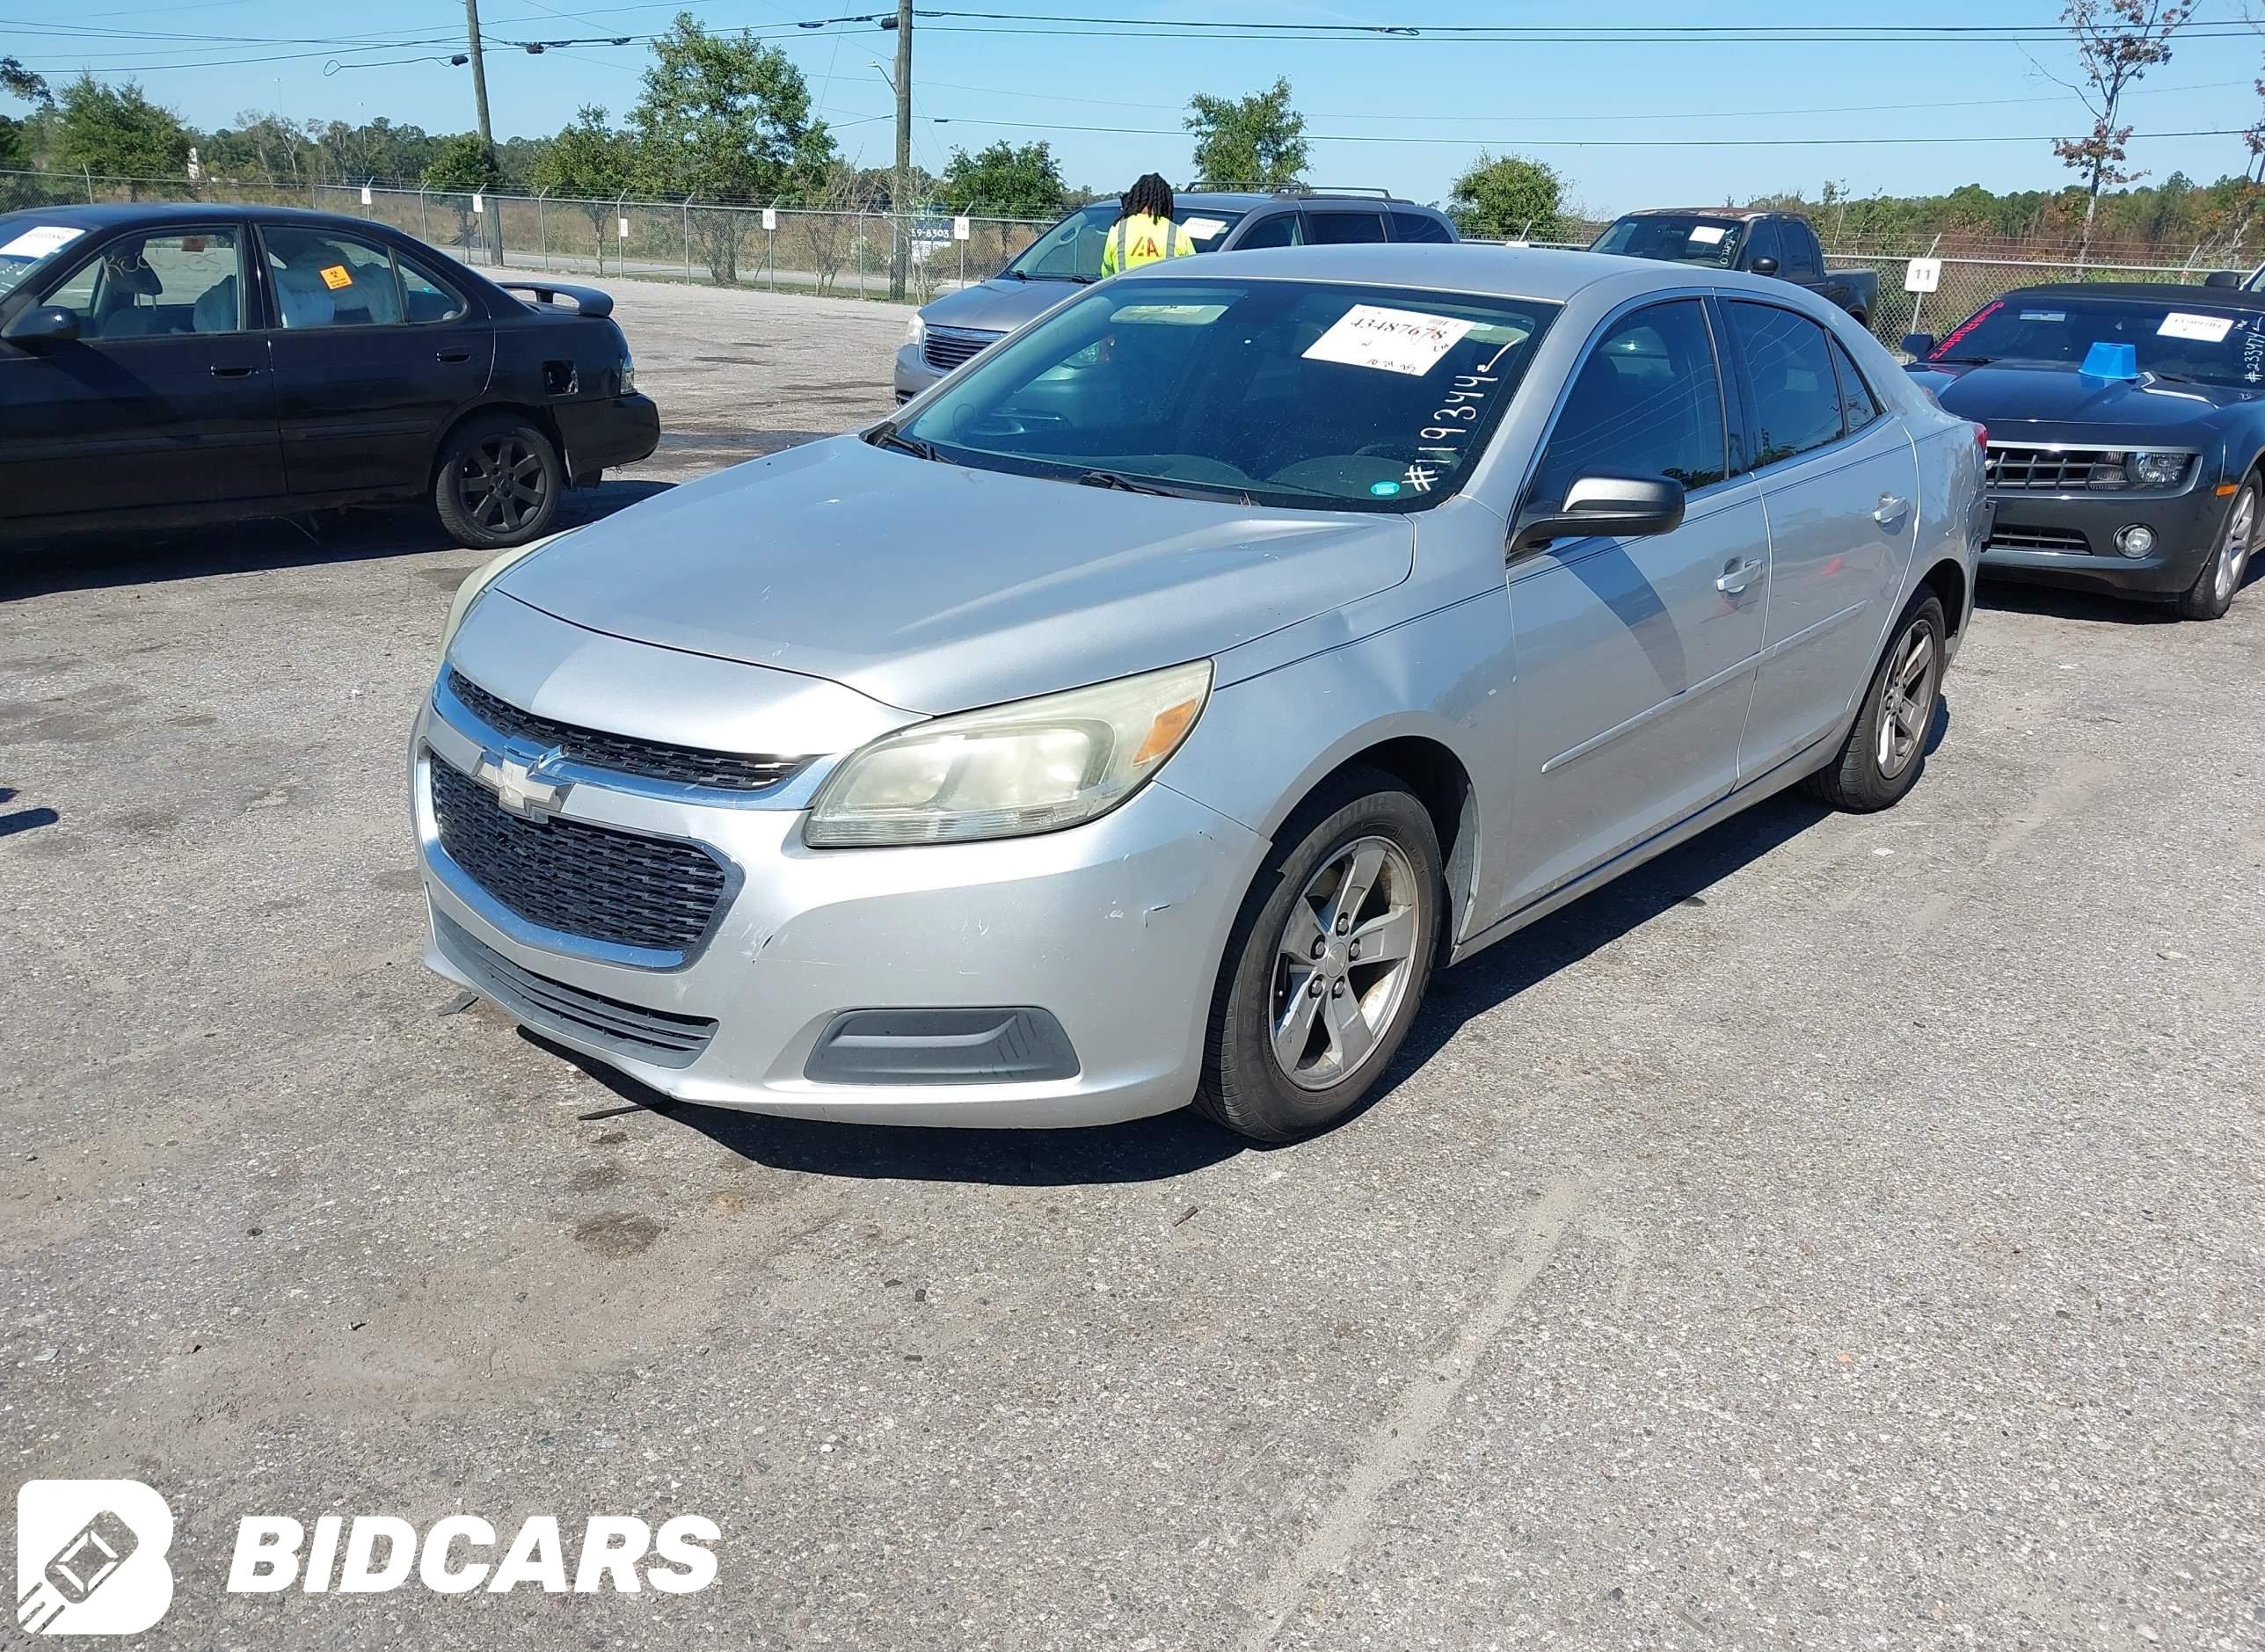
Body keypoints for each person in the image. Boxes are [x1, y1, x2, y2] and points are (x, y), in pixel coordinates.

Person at [1100, 173, 1193, 276]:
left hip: (1124, 291)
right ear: (1165, 201)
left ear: (1136, 198)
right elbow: (1193, 273)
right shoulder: (1177, 233)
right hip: (1167, 292)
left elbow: (1107, 275)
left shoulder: (1117, 231)